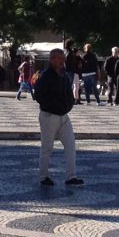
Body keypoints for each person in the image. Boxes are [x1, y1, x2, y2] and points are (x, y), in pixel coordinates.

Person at [33, 48, 83, 187]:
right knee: (47, 147)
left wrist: (68, 105)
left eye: (63, 59)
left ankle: (71, 177)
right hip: (49, 116)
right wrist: (54, 106)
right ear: (52, 59)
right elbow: (39, 96)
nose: (62, 61)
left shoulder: (64, 75)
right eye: (59, 59)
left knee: (70, 145)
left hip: (64, 116)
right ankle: (44, 176)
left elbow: (68, 92)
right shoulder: (45, 76)